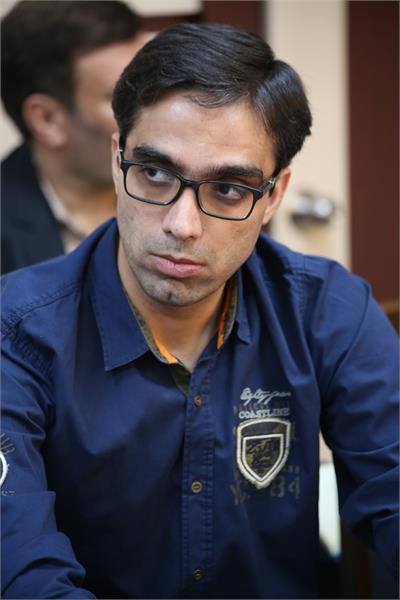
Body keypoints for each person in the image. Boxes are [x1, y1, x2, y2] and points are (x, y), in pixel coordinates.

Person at [1, 23, 398, 600]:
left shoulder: (327, 311)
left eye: (229, 189)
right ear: (117, 159)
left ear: (274, 196)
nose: (181, 225)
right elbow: (21, 568)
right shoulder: (16, 329)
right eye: (155, 173)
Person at [1, 0, 146, 274]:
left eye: (153, 85)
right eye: (124, 96)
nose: (153, 110)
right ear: (47, 119)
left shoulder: (188, 191)